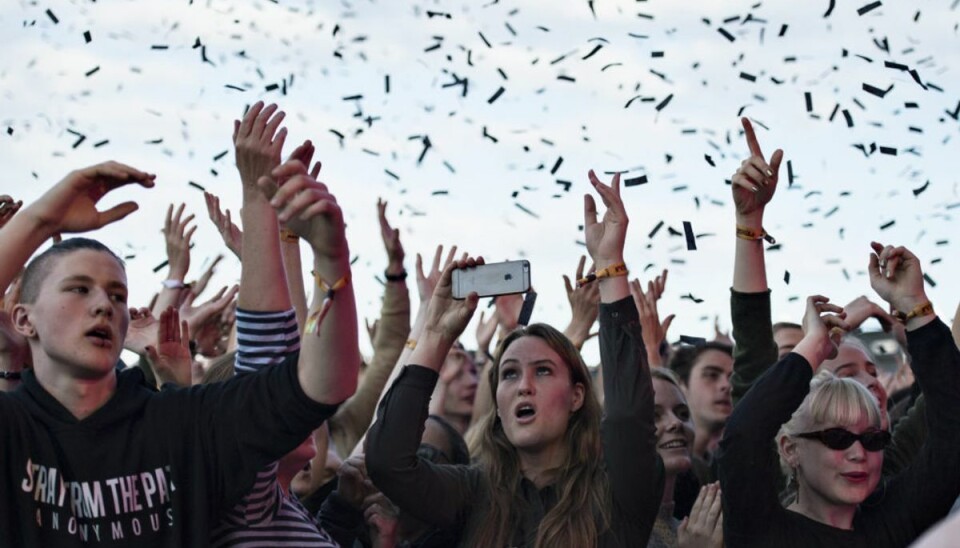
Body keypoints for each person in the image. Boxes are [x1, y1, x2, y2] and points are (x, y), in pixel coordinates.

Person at [0, 157, 356, 546]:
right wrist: (40, 221)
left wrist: (331, 259)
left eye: (117, 294)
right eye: (79, 289)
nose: (104, 305)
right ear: (22, 319)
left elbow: (319, 384)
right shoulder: (14, 430)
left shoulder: (180, 424)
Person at [365, 170, 662, 547]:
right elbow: (386, 462)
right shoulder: (474, 492)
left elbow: (627, 418)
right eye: (508, 374)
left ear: (576, 395)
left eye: (543, 371)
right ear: (497, 404)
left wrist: (609, 267)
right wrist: (436, 335)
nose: (524, 386)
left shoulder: (615, 490)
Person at [717, 242, 960, 547]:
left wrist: (914, 305)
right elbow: (743, 435)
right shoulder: (761, 528)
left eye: (873, 439)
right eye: (837, 438)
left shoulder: (898, 519)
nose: (859, 454)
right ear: (790, 449)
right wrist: (813, 346)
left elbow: (953, 427)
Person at [647, 367, 723, 548]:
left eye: (683, 413)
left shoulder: (692, 531)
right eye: (653, 415)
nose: (676, 423)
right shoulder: (600, 524)